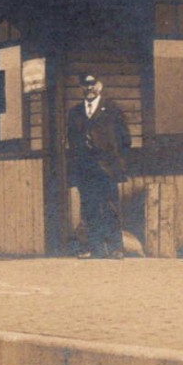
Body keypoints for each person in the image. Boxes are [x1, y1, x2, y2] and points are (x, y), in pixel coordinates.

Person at [64, 73, 131, 259]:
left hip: (108, 168)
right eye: (85, 85)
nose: (89, 89)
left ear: (100, 86)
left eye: (93, 85)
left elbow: (125, 140)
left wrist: (117, 164)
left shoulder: (112, 110)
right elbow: (72, 142)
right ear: (80, 88)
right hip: (85, 169)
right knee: (89, 207)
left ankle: (116, 248)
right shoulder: (75, 113)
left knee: (111, 207)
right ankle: (95, 249)